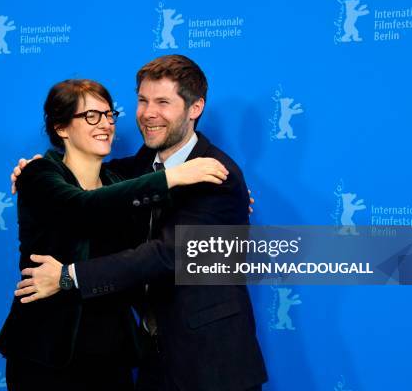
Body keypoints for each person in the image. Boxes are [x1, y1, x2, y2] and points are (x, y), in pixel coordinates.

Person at [14, 55, 268, 391]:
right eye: (142, 100)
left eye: (163, 102)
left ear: (194, 108)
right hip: (150, 359)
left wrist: (67, 276)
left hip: (211, 362)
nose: (149, 113)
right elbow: (88, 187)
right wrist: (38, 171)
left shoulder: (216, 174)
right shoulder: (134, 170)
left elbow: (166, 256)